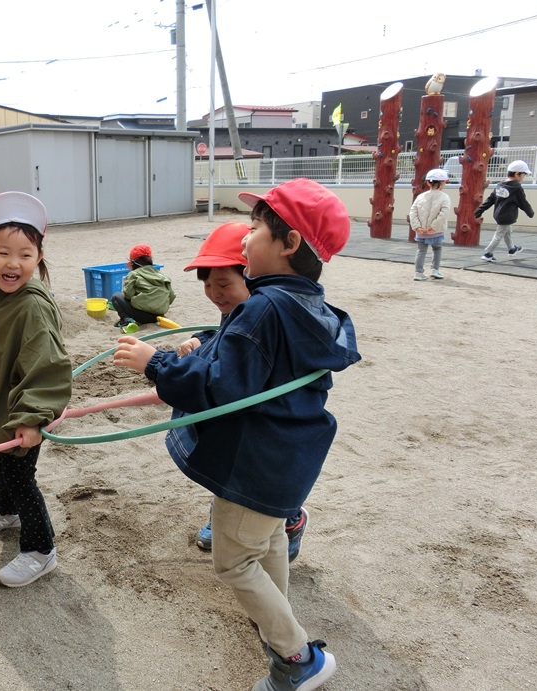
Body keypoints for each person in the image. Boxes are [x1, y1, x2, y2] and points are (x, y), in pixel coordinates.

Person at [113, 178, 360, 690]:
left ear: (289, 243)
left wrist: (153, 362)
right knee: (267, 544)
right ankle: (277, 625)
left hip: (255, 460)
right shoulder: (308, 307)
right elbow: (250, 362)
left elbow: (224, 386)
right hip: (287, 462)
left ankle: (297, 660)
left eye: (254, 228)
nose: (244, 239)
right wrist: (204, 345)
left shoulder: (263, 308)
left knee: (233, 562)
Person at [178, 222, 310, 560]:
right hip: (241, 418)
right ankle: (222, 514)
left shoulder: (268, 315)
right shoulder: (239, 313)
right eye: (208, 285)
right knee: (225, 457)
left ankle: (291, 520)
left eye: (224, 283)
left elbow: (236, 371)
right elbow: (228, 345)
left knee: (263, 481)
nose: (215, 293)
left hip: (268, 421)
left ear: (251, 275)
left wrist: (158, 366)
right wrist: (204, 342)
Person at [0, 191, 72, 588]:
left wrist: (31, 418)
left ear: (38, 256)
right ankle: (5, 511)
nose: (13, 263)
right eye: (3, 252)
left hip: (19, 411)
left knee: (21, 478)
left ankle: (41, 550)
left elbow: (47, 367)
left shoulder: (32, 306)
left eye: (25, 254)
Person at [476, 160, 535, 262]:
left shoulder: (500, 185)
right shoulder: (517, 188)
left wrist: (480, 209)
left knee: (507, 232)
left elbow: (490, 200)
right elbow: (523, 202)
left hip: (499, 214)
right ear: (517, 174)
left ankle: (512, 249)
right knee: (499, 234)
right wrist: (530, 213)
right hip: (508, 216)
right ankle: (488, 253)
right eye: (523, 175)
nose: (523, 177)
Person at [110, 244, 176, 328]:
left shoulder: (134, 274)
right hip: (159, 316)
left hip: (141, 315)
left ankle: (126, 319)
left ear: (132, 262)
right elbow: (172, 296)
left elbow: (128, 294)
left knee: (116, 297)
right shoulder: (161, 275)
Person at [409, 168, 452, 281]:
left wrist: (417, 227)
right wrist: (432, 227)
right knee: (437, 249)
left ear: (428, 182)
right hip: (436, 231)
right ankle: (435, 270)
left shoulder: (420, 196)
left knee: (421, 250)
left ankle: (418, 272)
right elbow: (443, 214)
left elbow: (413, 212)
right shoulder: (445, 197)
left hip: (421, 231)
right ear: (443, 183)